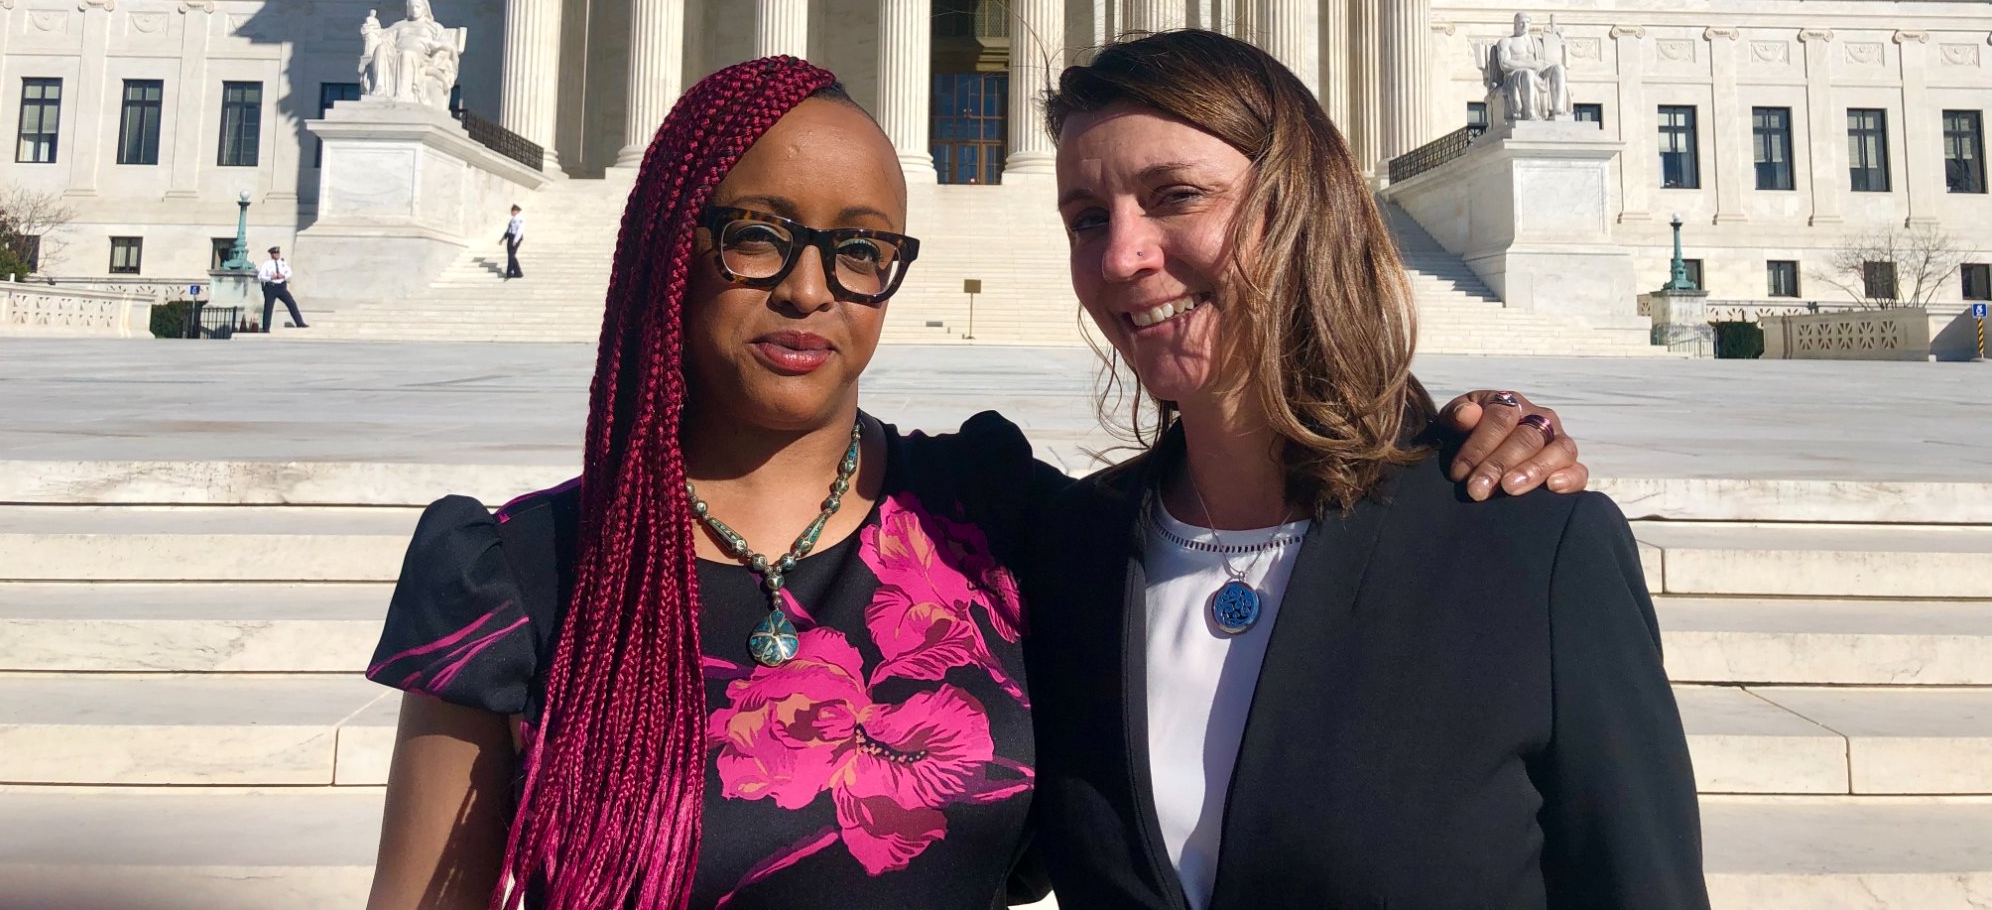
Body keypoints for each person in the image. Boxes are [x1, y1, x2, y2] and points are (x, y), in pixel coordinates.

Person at [363, 57, 1590, 910]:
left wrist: (1456, 432)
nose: (809, 289)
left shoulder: (985, 520)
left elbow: (1240, 522)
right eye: (756, 235)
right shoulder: (518, 573)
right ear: (666, 247)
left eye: (859, 250)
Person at [1026, 30, 1706, 910]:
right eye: (1087, 219)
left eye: (1178, 196)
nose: (1122, 256)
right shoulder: (1066, 555)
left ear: (1301, 206)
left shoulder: (1527, 545)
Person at [257, 246, 307, 330]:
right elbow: (260, 276)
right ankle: (266, 328)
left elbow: (289, 272)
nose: (277, 255)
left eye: (278, 253)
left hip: (281, 287)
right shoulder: (267, 264)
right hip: (271, 287)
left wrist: (283, 276)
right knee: (268, 308)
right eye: (275, 253)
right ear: (271, 254)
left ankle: (299, 322)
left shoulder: (283, 263)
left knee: (291, 303)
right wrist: (271, 277)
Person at [499, 205, 525, 279]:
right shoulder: (513, 219)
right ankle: (518, 272)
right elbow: (508, 230)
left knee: (511, 256)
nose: (511, 212)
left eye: (512, 211)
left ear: (516, 211)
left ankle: (509, 273)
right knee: (511, 255)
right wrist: (502, 239)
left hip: (515, 238)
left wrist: (515, 240)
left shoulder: (520, 219)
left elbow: (520, 230)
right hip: (510, 237)